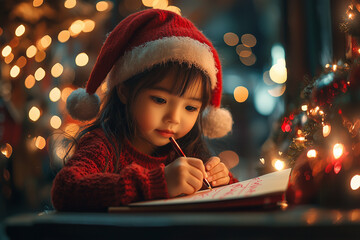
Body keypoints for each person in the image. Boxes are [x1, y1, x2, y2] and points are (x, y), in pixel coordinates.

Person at [51, 8, 237, 211]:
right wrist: (157, 183)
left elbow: (241, 197)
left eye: (191, 107)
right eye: (159, 100)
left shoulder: (188, 151)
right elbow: (65, 189)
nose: (174, 118)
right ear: (124, 92)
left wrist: (222, 180)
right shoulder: (104, 145)